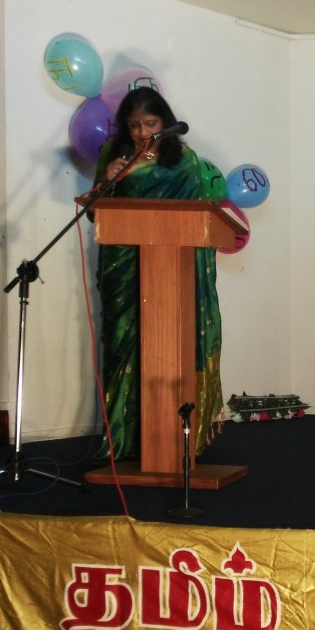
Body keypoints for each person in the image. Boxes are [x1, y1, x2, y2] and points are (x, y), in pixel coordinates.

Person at [91, 87, 224, 461]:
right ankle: (123, 438)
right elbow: (94, 212)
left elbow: (194, 219)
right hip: (122, 265)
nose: (141, 132)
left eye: (150, 123)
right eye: (134, 125)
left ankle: (171, 438)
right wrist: (108, 182)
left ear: (165, 122)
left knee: (167, 344)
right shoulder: (114, 154)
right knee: (122, 348)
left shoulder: (184, 161)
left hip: (170, 271)